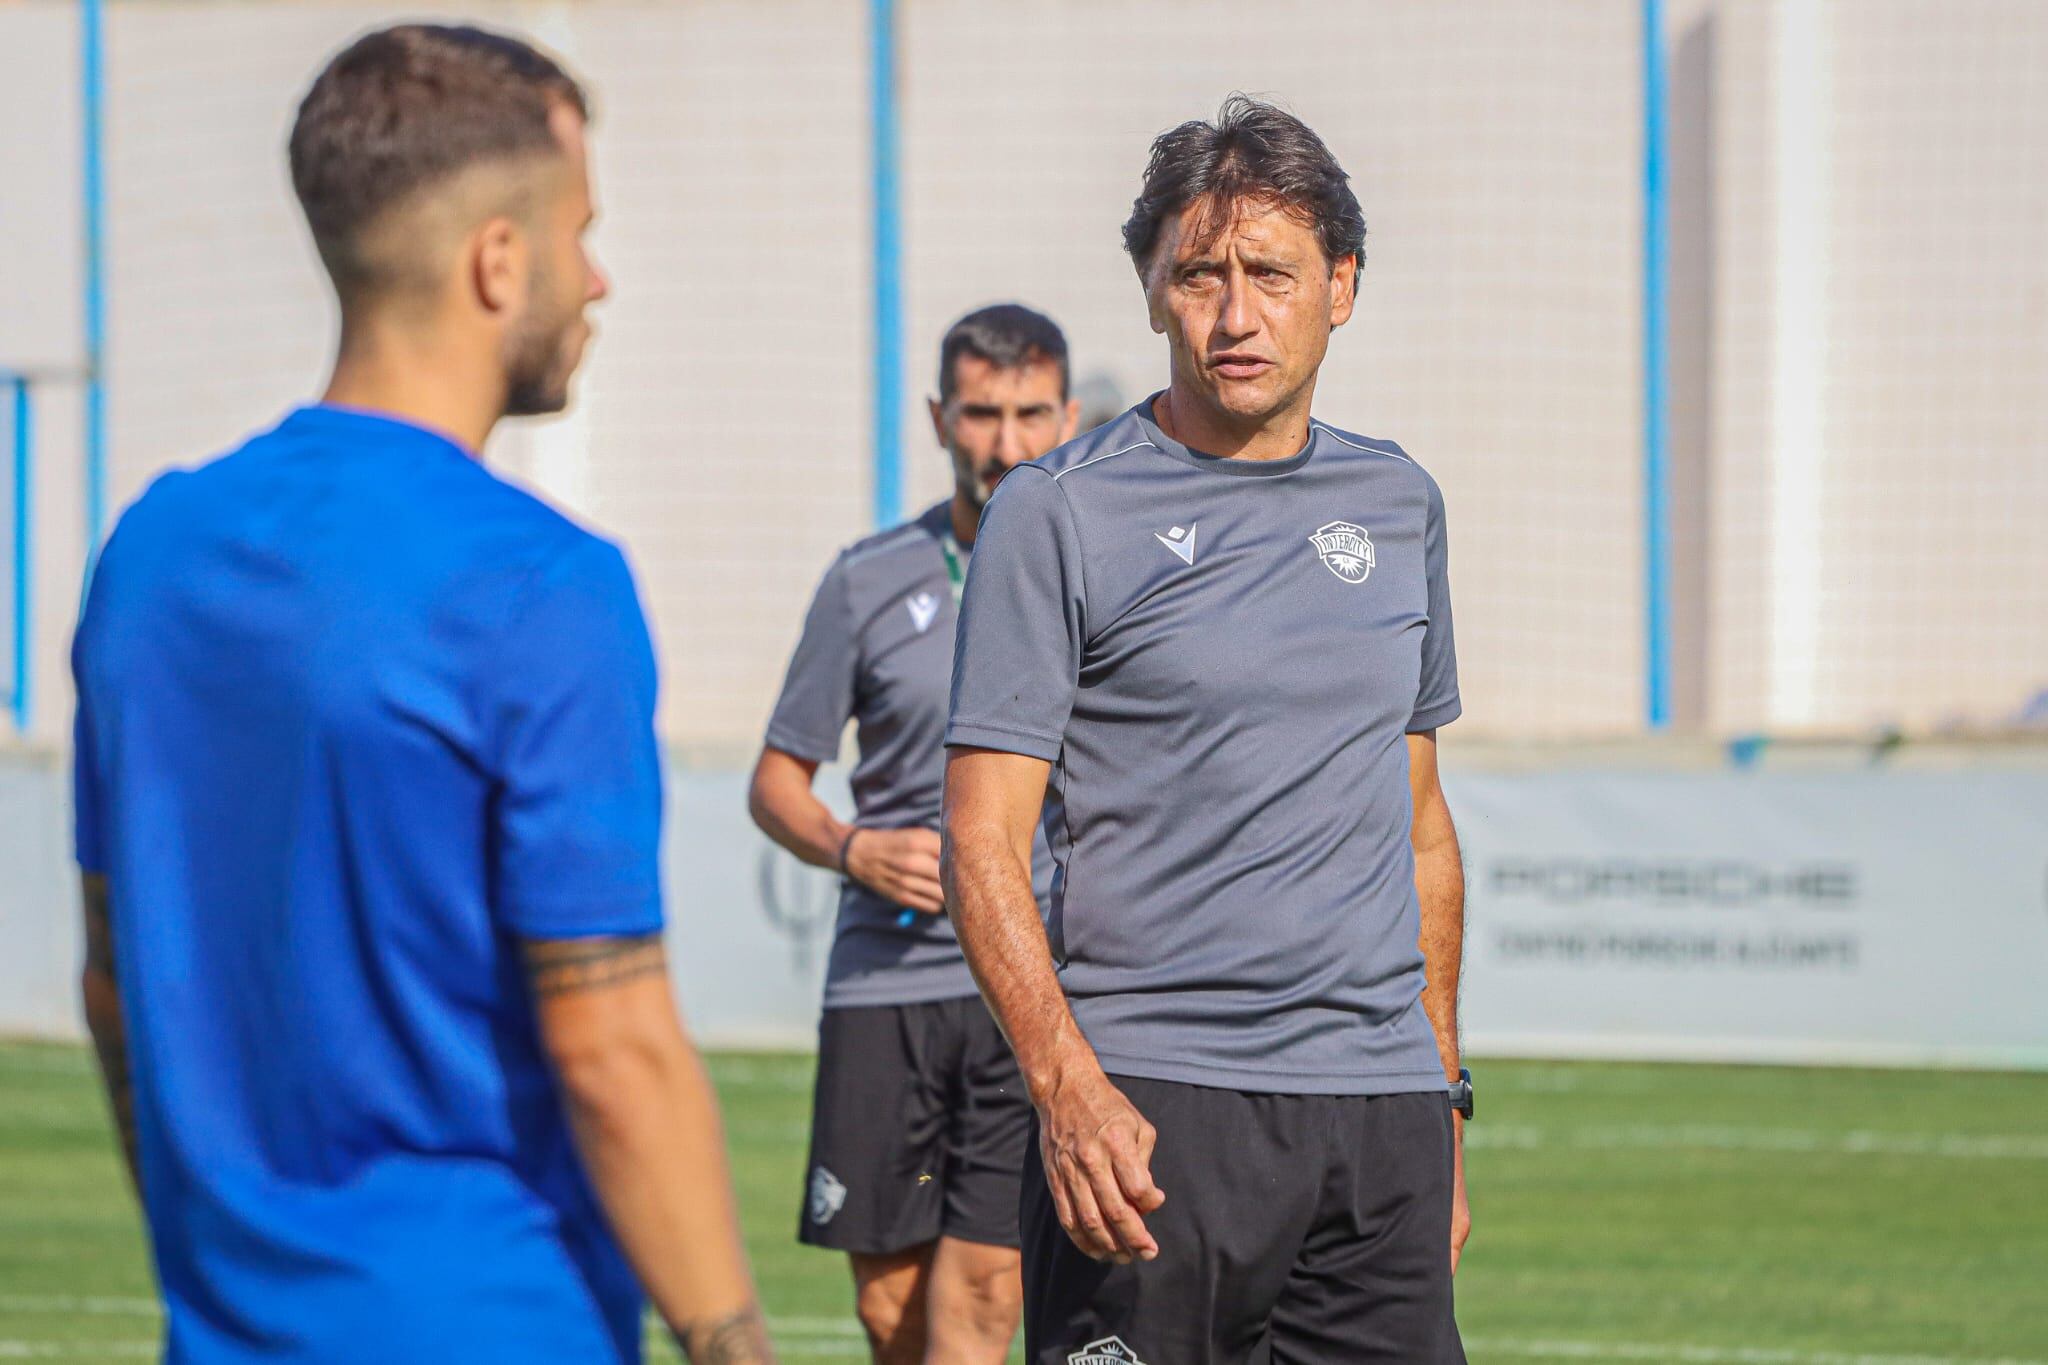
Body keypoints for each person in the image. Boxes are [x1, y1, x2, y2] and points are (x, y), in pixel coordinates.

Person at [71, 25, 774, 1365]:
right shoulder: (539, 585)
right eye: (581, 231)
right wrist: (731, 1339)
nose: (599, 276)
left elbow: (113, 989)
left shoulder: (148, 553)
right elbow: (613, 1046)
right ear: (498, 262)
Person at [941, 97, 1473, 1364]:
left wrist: (1439, 1099)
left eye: (1271, 275)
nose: (1234, 316)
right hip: (1148, 1115)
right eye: (1199, 274)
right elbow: (980, 844)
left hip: (1378, 1116)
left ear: (1339, 287)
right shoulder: (1055, 513)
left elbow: (1418, 833)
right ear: (1149, 290)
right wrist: (1065, 1087)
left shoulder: (1398, 502)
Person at [749, 305, 1080, 1364]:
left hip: (1024, 988)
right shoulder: (866, 579)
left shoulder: (1100, 574)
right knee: (889, 1315)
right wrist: (850, 847)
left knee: (985, 1295)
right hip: (882, 987)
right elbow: (775, 781)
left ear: (1066, 417)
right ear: (940, 418)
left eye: (1030, 413)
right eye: (981, 413)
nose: (1006, 442)